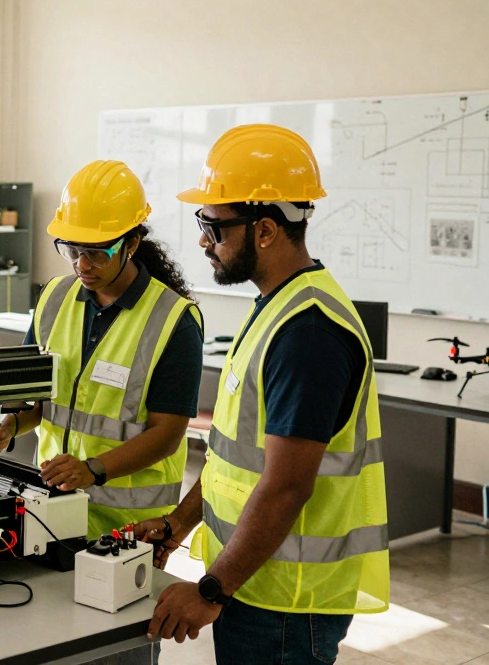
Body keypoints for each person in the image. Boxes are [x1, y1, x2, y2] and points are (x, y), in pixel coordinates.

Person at [141, 125, 389, 663]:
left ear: (268, 230)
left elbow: (285, 487)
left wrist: (211, 589)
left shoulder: (308, 333)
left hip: (286, 605)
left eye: (214, 226)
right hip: (255, 582)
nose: (204, 240)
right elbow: (239, 460)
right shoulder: (276, 309)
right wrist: (178, 524)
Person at [0, 161, 204, 539]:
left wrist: (92, 469)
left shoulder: (174, 321)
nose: (81, 264)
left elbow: (167, 435)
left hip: (129, 528)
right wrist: (10, 427)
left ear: (131, 244)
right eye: (71, 249)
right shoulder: (53, 300)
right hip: (50, 508)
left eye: (96, 252)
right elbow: (42, 405)